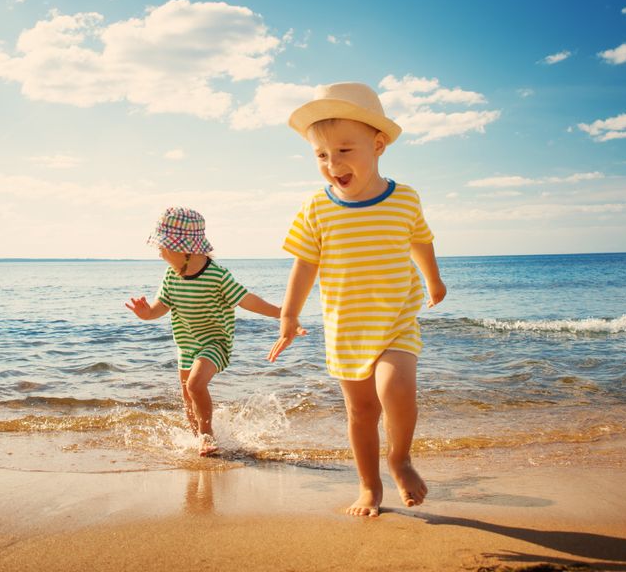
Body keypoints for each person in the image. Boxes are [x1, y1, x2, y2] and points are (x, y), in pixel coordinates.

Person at [268, 81, 446, 517]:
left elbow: (420, 242)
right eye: (322, 156)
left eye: (345, 151)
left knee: (396, 388)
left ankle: (399, 458)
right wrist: (289, 314)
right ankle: (369, 487)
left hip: (396, 321)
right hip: (346, 328)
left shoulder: (404, 198)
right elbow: (305, 264)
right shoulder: (316, 208)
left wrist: (434, 281)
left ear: (378, 144)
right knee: (361, 412)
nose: (333, 164)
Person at [127, 207, 291, 456]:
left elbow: (247, 300)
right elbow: (160, 306)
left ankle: (207, 436)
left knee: (194, 385)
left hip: (215, 342)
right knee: (188, 398)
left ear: (183, 248)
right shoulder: (171, 276)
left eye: (162, 247)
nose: (160, 253)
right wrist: (146, 313)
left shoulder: (217, 275)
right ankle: (200, 443)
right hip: (186, 344)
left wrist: (283, 313)